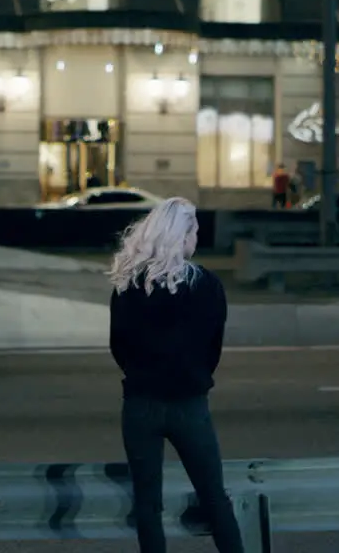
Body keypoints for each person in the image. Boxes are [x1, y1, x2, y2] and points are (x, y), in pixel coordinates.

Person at [107, 197, 244, 553]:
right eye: (194, 229)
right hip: (189, 405)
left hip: (140, 405)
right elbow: (213, 349)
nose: (197, 236)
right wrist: (192, 375)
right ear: (182, 236)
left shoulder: (127, 284)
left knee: (147, 505)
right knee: (215, 498)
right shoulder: (208, 286)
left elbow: (118, 346)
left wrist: (143, 373)